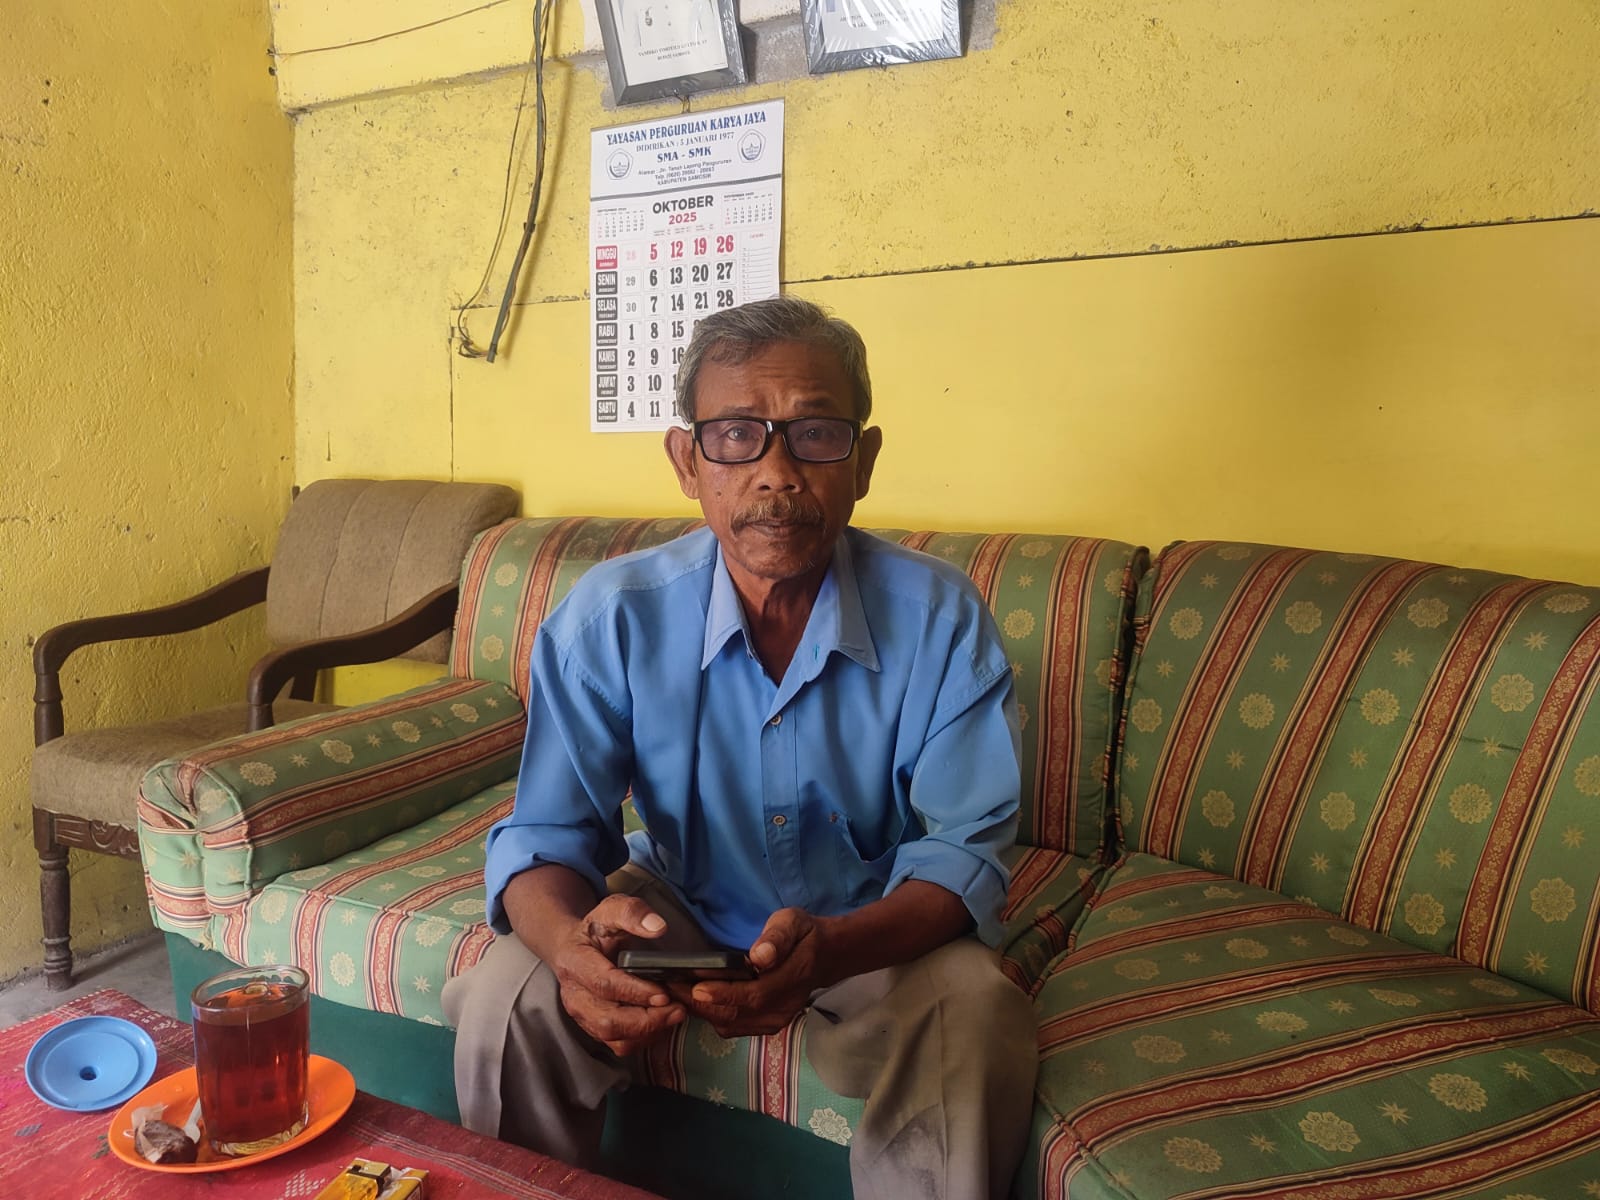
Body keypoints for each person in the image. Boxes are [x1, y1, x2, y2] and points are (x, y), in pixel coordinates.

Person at [443, 296, 1038, 1199]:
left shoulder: (940, 618)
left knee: (978, 1012)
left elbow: (964, 856)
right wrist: (567, 945)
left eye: (816, 435)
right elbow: (545, 835)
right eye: (734, 436)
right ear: (688, 462)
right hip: (680, 903)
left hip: (873, 920)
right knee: (508, 993)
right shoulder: (611, 617)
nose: (776, 474)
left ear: (864, 461)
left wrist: (829, 951)